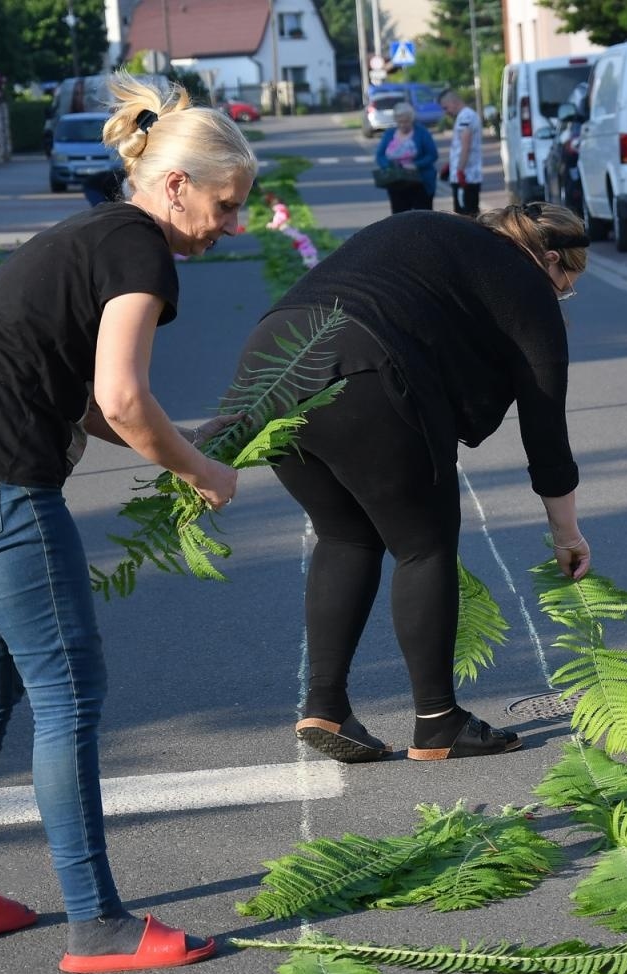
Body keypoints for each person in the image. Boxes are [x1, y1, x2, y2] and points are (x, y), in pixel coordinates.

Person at [0, 71, 256, 974]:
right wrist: (202, 471)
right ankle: (97, 925)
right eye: (226, 205)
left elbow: (90, 399)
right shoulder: (141, 250)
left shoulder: (92, 231)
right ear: (176, 185)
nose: (234, 224)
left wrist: (177, 445)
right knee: (67, 692)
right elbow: (122, 397)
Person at [229, 203, 591, 764]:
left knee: (344, 535)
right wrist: (567, 533)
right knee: (424, 546)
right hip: (365, 367)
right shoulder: (525, 282)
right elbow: (545, 427)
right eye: (566, 282)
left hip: (270, 360)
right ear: (548, 259)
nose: (562, 295)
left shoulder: (434, 234)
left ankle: (326, 704)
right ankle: (438, 720)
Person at [373, 100, 438, 214]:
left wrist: (416, 165)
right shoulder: (389, 134)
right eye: (400, 122)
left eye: (406, 121)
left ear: (411, 119)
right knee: (399, 216)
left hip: (420, 182)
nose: (403, 125)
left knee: (422, 216)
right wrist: (388, 166)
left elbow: (432, 155)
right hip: (396, 181)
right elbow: (380, 155)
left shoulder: (422, 132)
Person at [437, 88, 483, 216]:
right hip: (467, 175)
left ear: (453, 102)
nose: (446, 112)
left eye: (445, 107)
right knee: (467, 213)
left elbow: (465, 144)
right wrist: (451, 165)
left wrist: (460, 170)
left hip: (466, 176)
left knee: (465, 216)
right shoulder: (466, 116)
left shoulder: (465, 117)